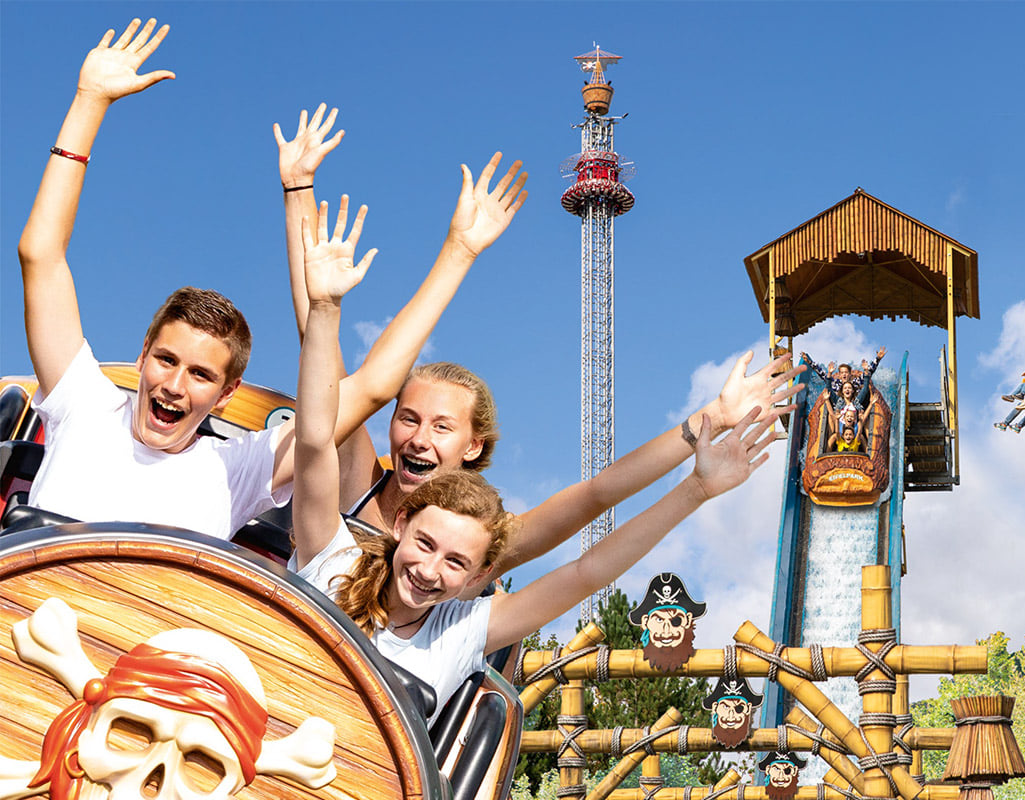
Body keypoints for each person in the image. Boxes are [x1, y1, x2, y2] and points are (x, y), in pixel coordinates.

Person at [17, 20, 524, 540]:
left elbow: (373, 387)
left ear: (227, 393)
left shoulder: (236, 469)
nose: (174, 385)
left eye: (201, 374)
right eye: (167, 360)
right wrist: (89, 102)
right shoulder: (84, 405)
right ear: (143, 354)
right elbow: (40, 255)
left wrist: (459, 251)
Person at [277, 106, 806, 585]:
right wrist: (298, 187)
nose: (418, 439)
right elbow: (316, 340)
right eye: (409, 419)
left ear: (473, 445)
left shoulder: (485, 540)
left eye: (441, 427)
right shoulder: (357, 481)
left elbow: (597, 494)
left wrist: (712, 418)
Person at [288, 207, 779, 717]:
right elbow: (319, 424)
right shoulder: (335, 556)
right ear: (401, 526)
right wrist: (321, 294)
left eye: (456, 561)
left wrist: (701, 459)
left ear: (478, 575)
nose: (430, 569)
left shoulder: (460, 622)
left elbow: (589, 547)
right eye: (408, 419)